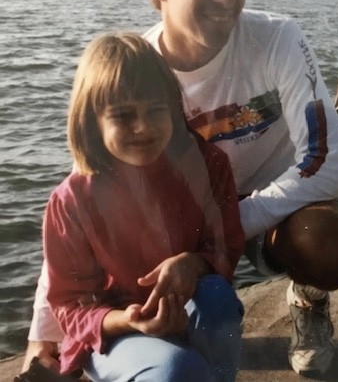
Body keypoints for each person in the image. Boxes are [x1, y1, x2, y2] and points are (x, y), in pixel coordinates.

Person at [23, 0, 338, 377]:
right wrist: (41, 336)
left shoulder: (278, 39)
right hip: (186, 222)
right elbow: (80, 204)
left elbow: (329, 166)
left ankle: (308, 300)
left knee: (328, 239)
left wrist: (221, 231)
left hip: (263, 213)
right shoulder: (136, 72)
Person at [36, 32, 245, 381]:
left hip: (185, 308)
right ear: (92, 121)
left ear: (175, 109)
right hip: (115, 334)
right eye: (123, 115)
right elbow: (70, 307)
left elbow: (226, 247)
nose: (143, 127)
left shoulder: (208, 165)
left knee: (218, 301)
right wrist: (129, 319)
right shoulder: (70, 201)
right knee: (179, 370)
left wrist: (194, 265)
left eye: (155, 110)